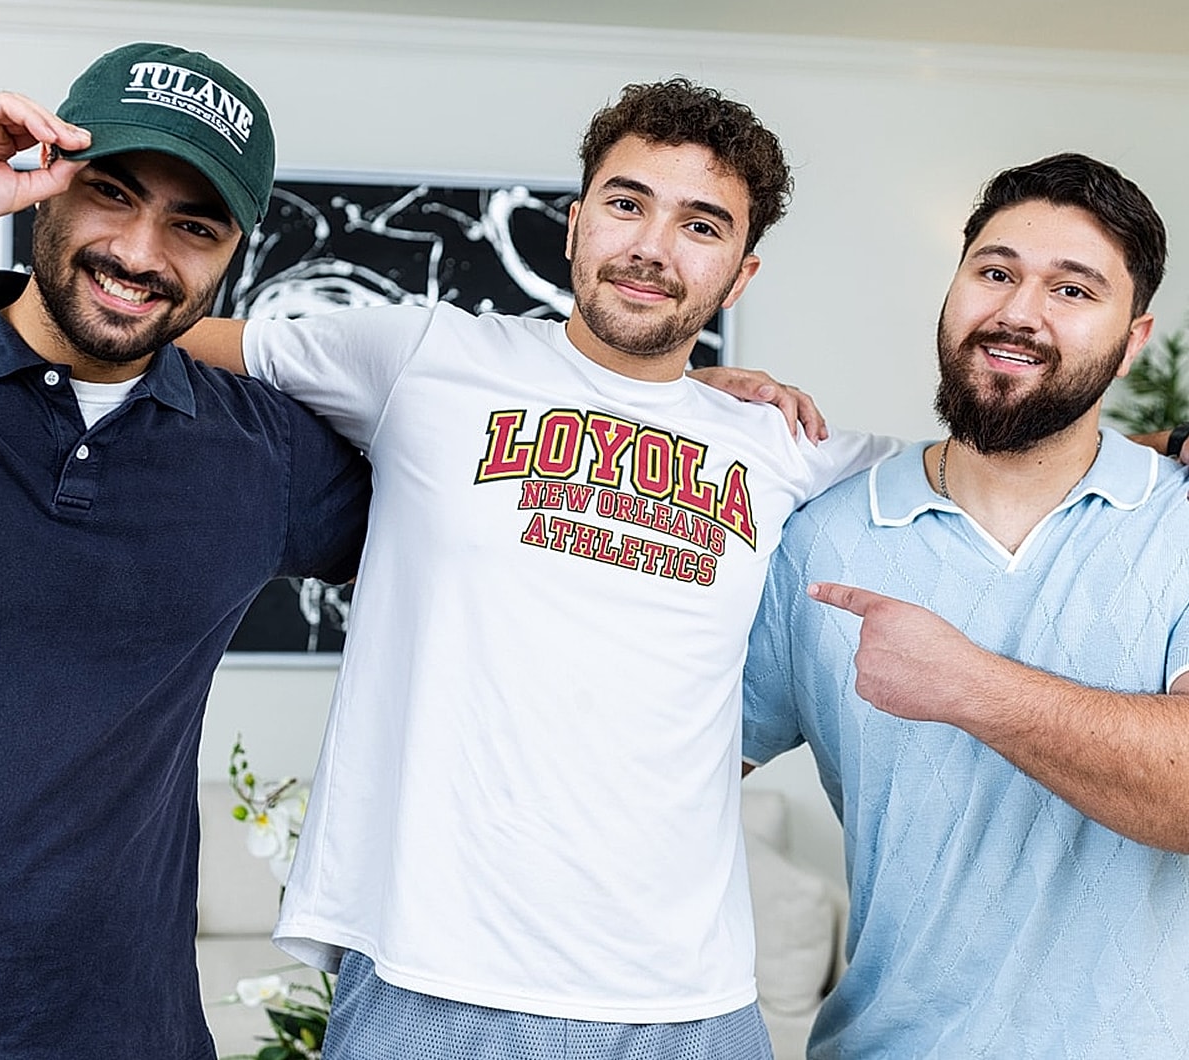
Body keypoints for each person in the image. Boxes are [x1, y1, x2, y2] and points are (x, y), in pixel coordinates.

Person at [104, 79, 896, 1059]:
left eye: (700, 223)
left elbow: (992, 473)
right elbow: (139, 327)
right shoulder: (424, 354)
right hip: (433, 987)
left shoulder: (777, 441)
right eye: (625, 202)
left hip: (689, 1004)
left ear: (739, 274)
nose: (651, 245)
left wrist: (1153, 441)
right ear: (573, 225)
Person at [0, 43, 373, 1057]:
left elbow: (486, 515)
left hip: (124, 1031)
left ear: (232, 252)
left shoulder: (264, 452)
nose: (142, 252)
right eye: (111, 193)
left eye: (194, 224)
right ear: (42, 184)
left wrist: (663, 392)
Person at [742, 152, 1189, 1057]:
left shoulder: (1180, 523)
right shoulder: (819, 539)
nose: (1018, 312)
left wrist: (968, 685)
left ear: (1133, 338)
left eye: (1073, 289)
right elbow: (668, 780)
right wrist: (667, 408)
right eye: (996, 272)